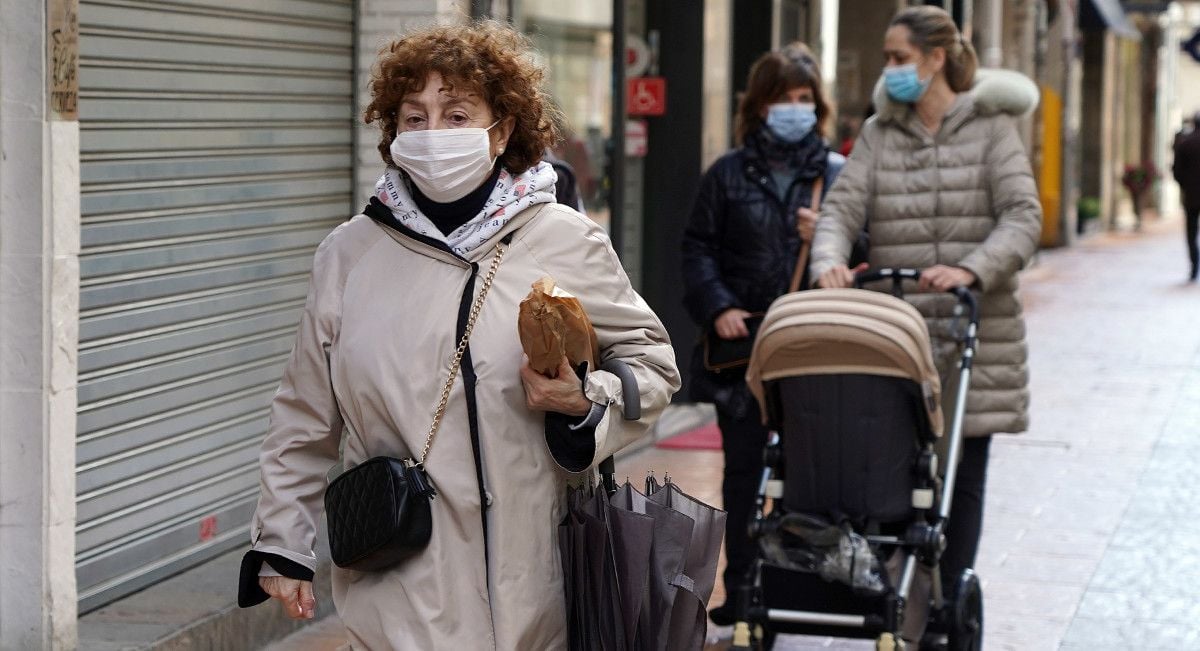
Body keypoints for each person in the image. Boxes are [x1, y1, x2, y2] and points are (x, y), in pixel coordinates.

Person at [236, 21, 680, 648]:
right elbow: (304, 416)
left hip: (542, 595)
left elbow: (654, 364)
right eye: (413, 117)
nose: (433, 134)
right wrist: (282, 544)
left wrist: (584, 406)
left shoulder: (563, 239)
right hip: (400, 591)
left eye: (456, 114)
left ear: (501, 130)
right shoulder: (349, 255)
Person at [809, 4, 1041, 625]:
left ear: (936, 58)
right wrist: (827, 261)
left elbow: (1024, 218)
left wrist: (971, 269)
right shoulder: (882, 135)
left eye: (899, 58)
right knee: (896, 475)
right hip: (901, 340)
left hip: (976, 335)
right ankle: (903, 596)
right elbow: (840, 211)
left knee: (962, 481)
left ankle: (946, 602)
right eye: (886, 58)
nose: (889, 71)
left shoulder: (992, 129)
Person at [681, 42, 851, 626]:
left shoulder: (836, 176)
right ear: (759, 106)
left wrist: (828, 233)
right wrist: (718, 305)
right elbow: (697, 249)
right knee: (743, 473)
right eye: (783, 99)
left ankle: (797, 586)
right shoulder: (726, 174)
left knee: (807, 474)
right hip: (744, 352)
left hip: (810, 349)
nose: (795, 109)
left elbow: (861, 259)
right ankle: (745, 589)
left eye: (805, 100)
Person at [1172, 110, 1200, 281]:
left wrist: (1185, 185)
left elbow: (1177, 171)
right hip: (1191, 193)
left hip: (1191, 196)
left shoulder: (1185, 143)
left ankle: (1194, 265)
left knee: (1191, 232)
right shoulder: (1185, 143)